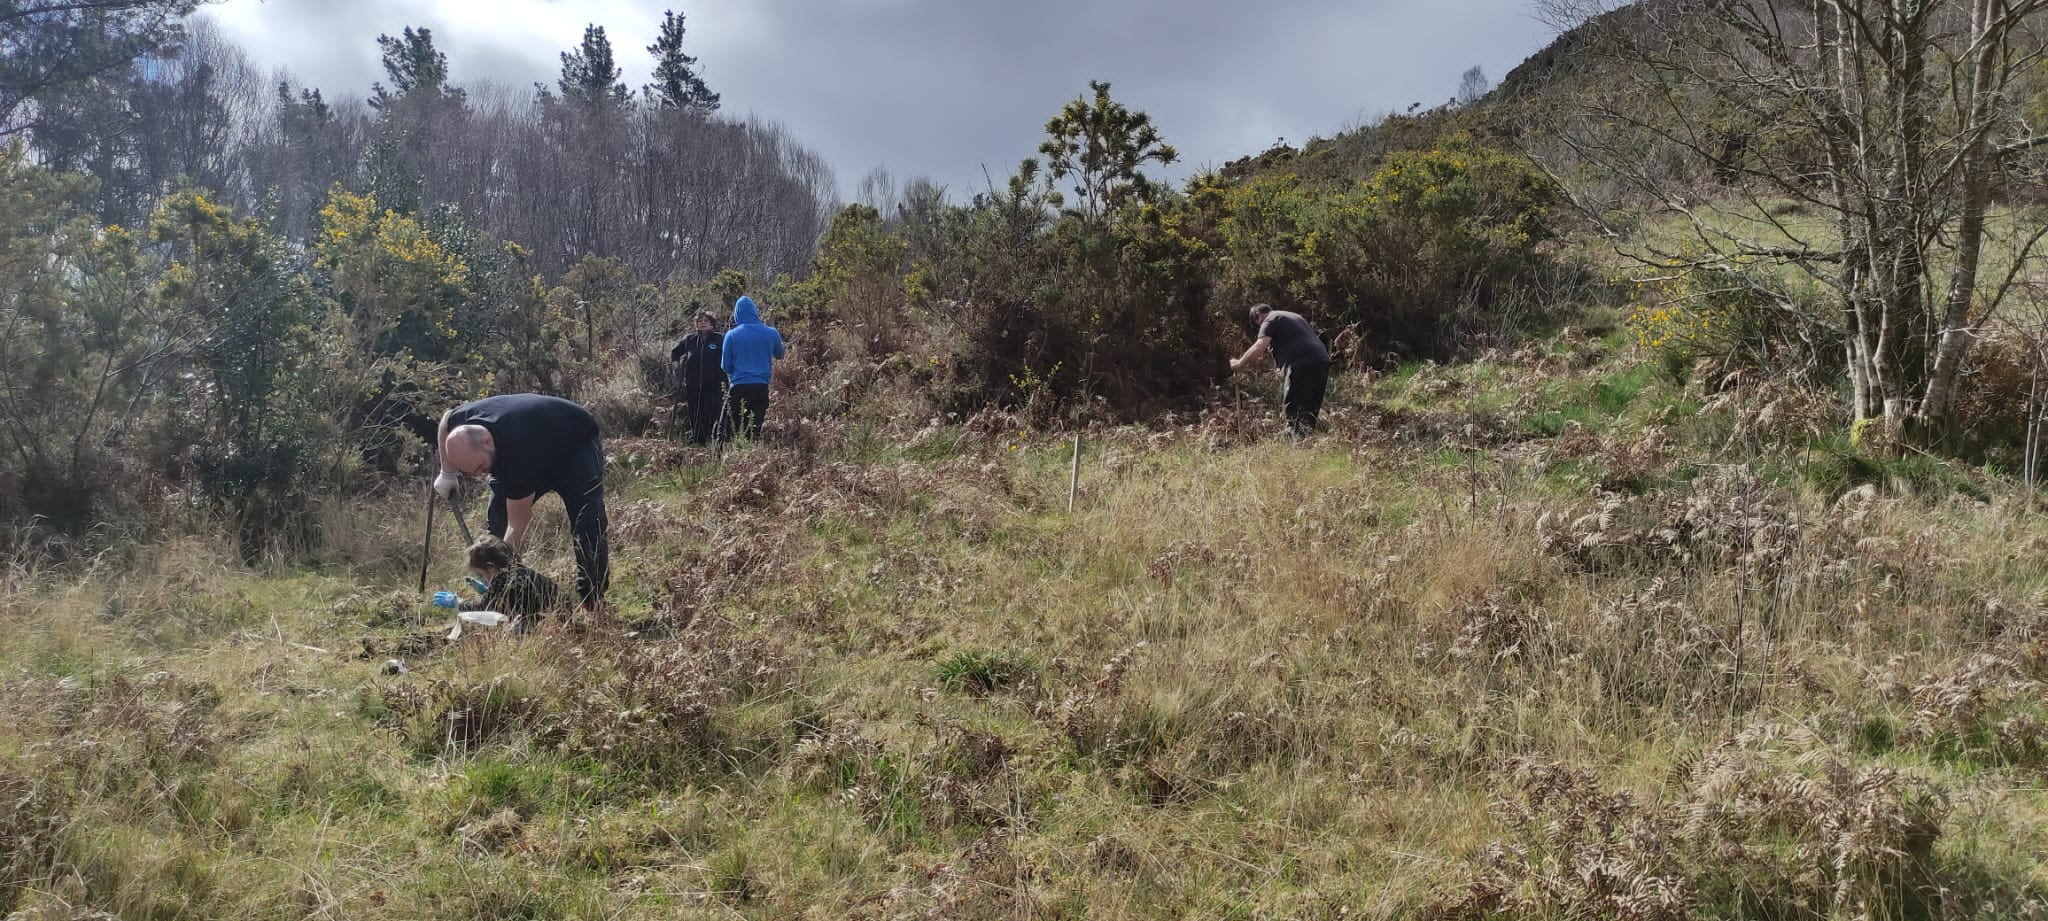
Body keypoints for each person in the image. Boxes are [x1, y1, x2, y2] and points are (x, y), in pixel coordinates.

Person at [435, 393, 609, 610]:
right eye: (472, 473)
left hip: (574, 446)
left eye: (482, 468)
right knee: (496, 521)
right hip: (532, 440)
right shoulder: (463, 420)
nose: (480, 475)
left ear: (487, 442)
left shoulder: (517, 454)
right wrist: (447, 472)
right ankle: (506, 594)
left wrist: (501, 569)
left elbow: (517, 523)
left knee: (588, 523)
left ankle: (592, 600)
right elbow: (445, 421)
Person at [1229, 303, 1331, 439]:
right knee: (1309, 408)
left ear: (1258, 316)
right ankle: (1307, 444)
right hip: (1322, 361)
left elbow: (1259, 347)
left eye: (1258, 324)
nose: (1260, 327)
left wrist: (1239, 364)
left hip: (1301, 363)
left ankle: (1298, 448)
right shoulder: (1294, 317)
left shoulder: (1270, 319)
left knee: (1293, 407)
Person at [718, 295, 785, 442]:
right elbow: (780, 354)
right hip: (761, 388)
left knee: (725, 431)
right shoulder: (771, 332)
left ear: (737, 314)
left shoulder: (731, 335)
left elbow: (725, 366)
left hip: (738, 388)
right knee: (753, 431)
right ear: (755, 312)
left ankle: (720, 461)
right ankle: (749, 458)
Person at [462, 534, 563, 632]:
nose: (484, 579)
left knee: (508, 629)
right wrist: (487, 592)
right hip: (559, 614)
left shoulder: (501, 580)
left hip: (542, 623)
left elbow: (484, 609)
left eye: (481, 575)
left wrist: (458, 603)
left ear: (490, 567)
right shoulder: (519, 570)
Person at [669, 310, 727, 445]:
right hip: (693, 384)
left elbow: (730, 356)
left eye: (706, 321)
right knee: (695, 412)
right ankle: (697, 439)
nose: (702, 323)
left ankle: (714, 439)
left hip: (715, 384)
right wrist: (676, 366)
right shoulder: (690, 339)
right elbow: (675, 352)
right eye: (699, 321)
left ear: (712, 324)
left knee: (713, 412)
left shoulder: (720, 339)